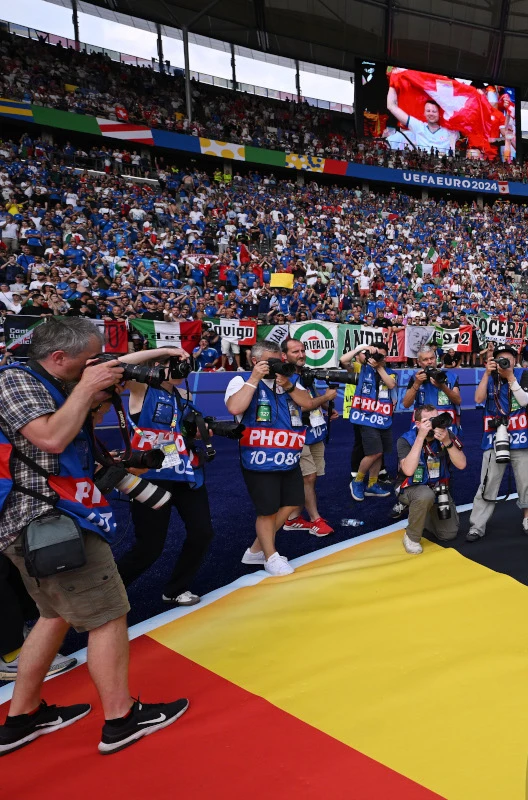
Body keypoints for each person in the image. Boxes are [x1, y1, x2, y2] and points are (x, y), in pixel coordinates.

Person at [0, 317, 188, 757]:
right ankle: (121, 720)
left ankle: (22, 717)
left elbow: (114, 365)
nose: (98, 369)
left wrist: (157, 357)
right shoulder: (12, 381)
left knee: (53, 616)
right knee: (107, 617)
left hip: (49, 522)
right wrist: (87, 390)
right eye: (89, 362)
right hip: (50, 523)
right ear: (59, 358)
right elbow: (49, 437)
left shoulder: (56, 377)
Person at [119, 346, 215, 606]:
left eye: (183, 363)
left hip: (185, 473)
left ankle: (175, 588)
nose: (180, 368)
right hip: (151, 474)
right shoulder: (142, 388)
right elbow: (116, 364)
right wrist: (163, 350)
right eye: (174, 363)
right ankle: (106, 596)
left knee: (202, 532)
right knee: (149, 548)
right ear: (157, 366)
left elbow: (187, 431)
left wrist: (200, 431)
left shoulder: (183, 395)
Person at [225, 341, 312, 577]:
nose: (276, 366)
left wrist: (289, 384)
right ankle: (270, 556)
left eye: (279, 361)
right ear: (256, 361)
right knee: (267, 511)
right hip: (259, 459)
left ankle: (256, 549)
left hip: (288, 457)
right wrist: (255, 378)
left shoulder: (286, 380)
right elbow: (235, 408)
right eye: (271, 361)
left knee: (293, 502)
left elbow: (307, 404)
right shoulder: (240, 381)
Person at [467, 343, 528, 540]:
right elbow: (479, 398)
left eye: (509, 358)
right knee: (487, 482)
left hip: (521, 436)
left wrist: (510, 377)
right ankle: (477, 525)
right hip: (494, 438)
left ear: (515, 360)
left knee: (526, 481)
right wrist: (487, 375)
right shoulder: (490, 378)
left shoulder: (523, 376)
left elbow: (524, 401)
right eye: (500, 359)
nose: (505, 362)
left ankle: (527, 518)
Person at [279, 337, 339, 535]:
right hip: (296, 433)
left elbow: (311, 397)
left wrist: (326, 407)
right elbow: (305, 403)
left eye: (303, 350)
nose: (301, 354)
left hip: (314, 431)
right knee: (308, 477)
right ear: (284, 355)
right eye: (295, 351)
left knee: (312, 478)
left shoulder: (305, 373)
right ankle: (315, 519)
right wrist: (327, 398)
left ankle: (293, 518)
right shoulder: (283, 376)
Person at [392, 404, 467, 554]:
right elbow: (408, 470)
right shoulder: (405, 439)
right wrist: (420, 438)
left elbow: (462, 464)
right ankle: (411, 537)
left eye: (435, 418)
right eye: (428, 421)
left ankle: (422, 514)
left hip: (439, 489)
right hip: (411, 487)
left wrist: (447, 442)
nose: (434, 423)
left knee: (448, 534)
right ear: (418, 424)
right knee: (425, 495)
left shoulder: (445, 435)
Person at [341, 343, 398, 500]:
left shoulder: (390, 372)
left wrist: (379, 367)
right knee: (375, 452)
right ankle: (357, 481)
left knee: (379, 453)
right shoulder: (362, 368)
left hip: (384, 418)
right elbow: (343, 360)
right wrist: (361, 348)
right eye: (376, 354)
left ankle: (372, 484)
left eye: (382, 355)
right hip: (365, 417)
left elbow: (391, 384)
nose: (378, 358)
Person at [401, 345, 462, 435]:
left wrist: (443, 387)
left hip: (445, 426)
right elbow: (406, 404)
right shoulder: (415, 379)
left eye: (432, 358)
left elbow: (458, 401)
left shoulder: (450, 376)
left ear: (436, 358)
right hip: (424, 427)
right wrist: (417, 384)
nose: (430, 362)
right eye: (425, 359)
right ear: (419, 362)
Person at [384, 93, 460, 156]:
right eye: (428, 111)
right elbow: (391, 106)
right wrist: (393, 83)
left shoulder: (450, 131)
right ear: (424, 113)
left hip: (444, 170)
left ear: (439, 113)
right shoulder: (419, 126)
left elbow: (462, 114)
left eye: (434, 111)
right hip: (422, 169)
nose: (431, 113)